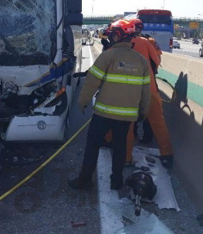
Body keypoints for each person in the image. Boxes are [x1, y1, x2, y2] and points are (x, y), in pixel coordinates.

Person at [69, 20, 151, 190]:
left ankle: (85, 180)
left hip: (103, 114)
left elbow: (92, 82)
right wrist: (143, 112)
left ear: (118, 36)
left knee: (93, 145)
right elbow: (146, 91)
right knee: (120, 147)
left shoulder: (108, 56)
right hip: (127, 116)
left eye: (113, 34)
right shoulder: (142, 61)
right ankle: (117, 181)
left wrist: (83, 101)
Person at [127, 19, 174, 167]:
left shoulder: (119, 45)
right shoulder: (148, 42)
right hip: (149, 87)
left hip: (127, 89)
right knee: (157, 121)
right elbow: (156, 61)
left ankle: (126, 157)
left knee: (126, 123)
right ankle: (166, 154)